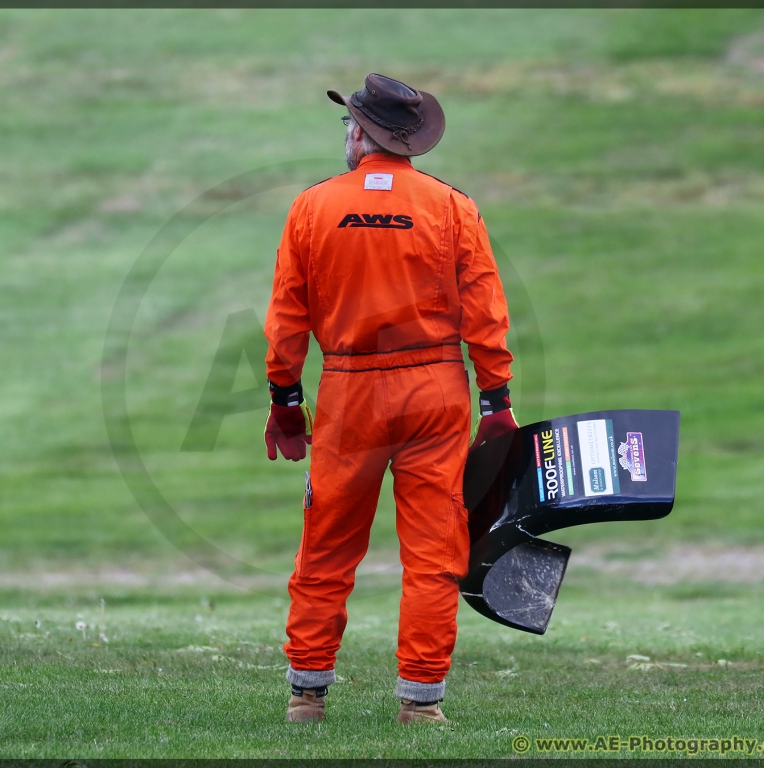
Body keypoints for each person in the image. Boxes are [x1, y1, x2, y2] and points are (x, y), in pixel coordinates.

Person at [263, 73, 517, 724]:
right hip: (435, 388)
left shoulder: (312, 207)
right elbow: (485, 310)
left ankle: (306, 697)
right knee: (433, 553)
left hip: (349, 390)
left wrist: (285, 401)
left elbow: (287, 317)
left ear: (359, 134)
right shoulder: (452, 206)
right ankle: (421, 705)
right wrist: (498, 404)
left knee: (326, 546)